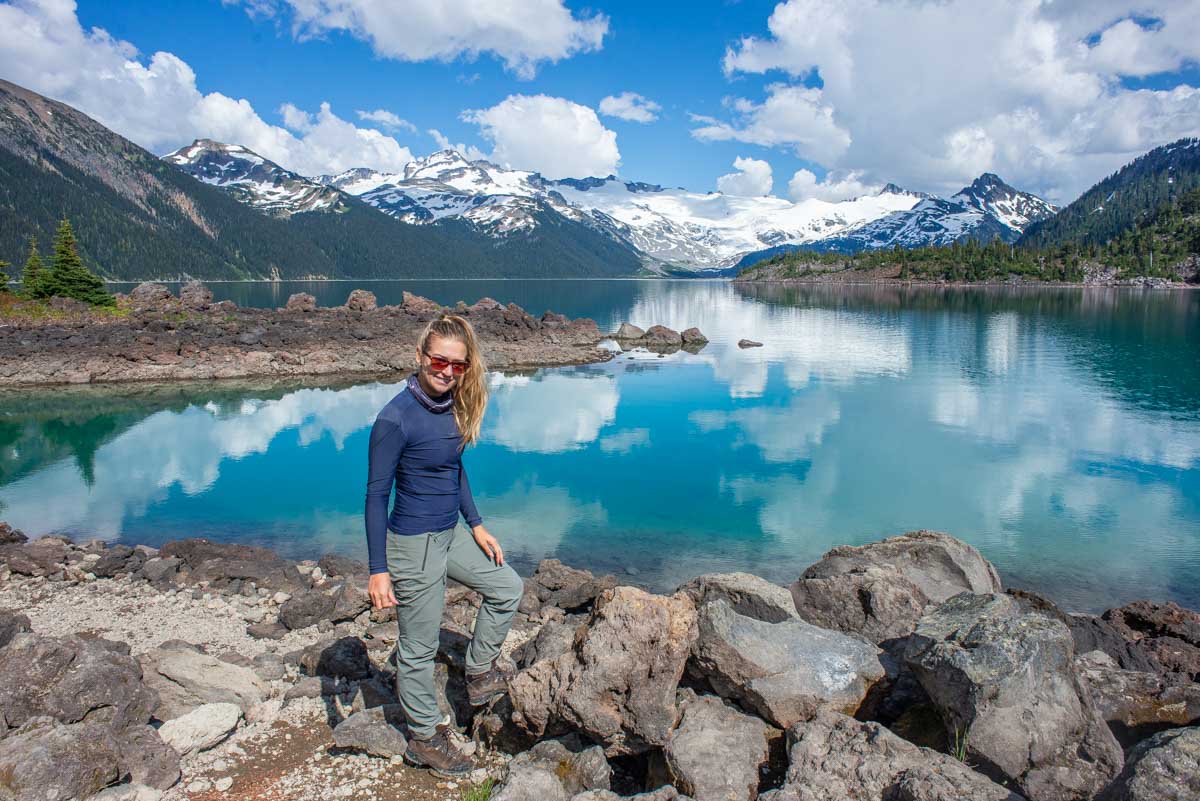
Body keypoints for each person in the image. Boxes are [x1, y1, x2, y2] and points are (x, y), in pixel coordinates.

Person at [364, 312, 523, 777]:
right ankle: (425, 737)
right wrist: (379, 570)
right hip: (412, 544)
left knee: (506, 587)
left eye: (458, 365)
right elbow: (376, 495)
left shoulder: (454, 403)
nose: (447, 371)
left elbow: (453, 468)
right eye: (439, 360)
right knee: (418, 647)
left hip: (451, 533)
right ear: (420, 356)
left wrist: (475, 523)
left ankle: (477, 673)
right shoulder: (395, 418)